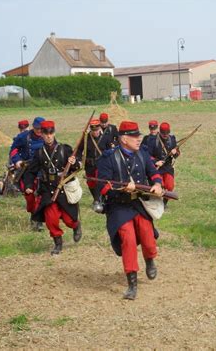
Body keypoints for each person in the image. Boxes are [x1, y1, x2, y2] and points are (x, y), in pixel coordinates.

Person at [96, 121, 163, 300]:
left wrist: (157, 184)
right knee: (128, 239)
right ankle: (131, 282)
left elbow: (154, 173)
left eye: (138, 135)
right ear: (124, 139)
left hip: (139, 204)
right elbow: (102, 186)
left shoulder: (142, 155)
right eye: (134, 136)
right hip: (119, 206)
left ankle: (150, 260)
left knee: (148, 238)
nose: (139, 139)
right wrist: (122, 189)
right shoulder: (108, 158)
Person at [24, 120, 83, 255]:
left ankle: (76, 225)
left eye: (51, 133)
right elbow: (31, 171)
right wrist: (28, 185)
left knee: (69, 220)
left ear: (54, 133)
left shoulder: (65, 149)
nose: (49, 136)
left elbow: (78, 166)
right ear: (42, 135)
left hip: (63, 189)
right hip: (47, 190)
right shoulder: (39, 153)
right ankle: (58, 243)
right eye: (46, 133)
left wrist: (74, 163)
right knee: (51, 218)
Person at [9, 116, 45, 230]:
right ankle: (33, 214)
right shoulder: (23, 137)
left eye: (41, 128)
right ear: (33, 127)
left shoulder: (48, 136)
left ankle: (37, 220)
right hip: (27, 171)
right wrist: (17, 160)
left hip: (42, 170)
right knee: (29, 196)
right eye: (37, 128)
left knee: (41, 196)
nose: (39, 131)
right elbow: (14, 150)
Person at [77, 119, 114, 211]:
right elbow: (78, 150)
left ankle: (98, 200)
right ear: (91, 129)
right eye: (93, 130)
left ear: (99, 128)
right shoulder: (85, 138)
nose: (95, 132)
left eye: (97, 130)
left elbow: (110, 151)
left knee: (98, 181)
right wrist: (78, 160)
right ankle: (96, 198)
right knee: (91, 183)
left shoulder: (106, 138)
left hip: (101, 164)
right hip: (89, 165)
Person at [147, 122, 179, 196]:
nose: (165, 135)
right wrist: (155, 162)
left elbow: (177, 154)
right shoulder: (152, 140)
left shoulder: (172, 139)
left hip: (168, 167)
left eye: (167, 133)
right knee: (160, 186)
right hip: (157, 168)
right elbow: (147, 155)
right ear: (160, 131)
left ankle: (165, 202)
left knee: (169, 186)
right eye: (163, 133)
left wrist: (175, 152)